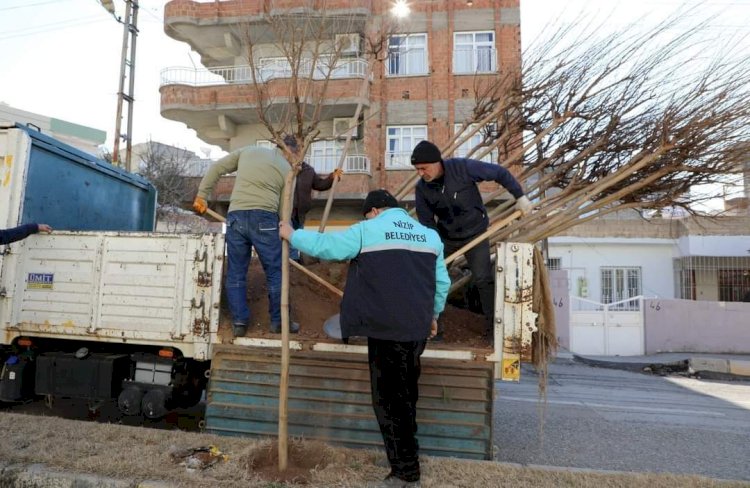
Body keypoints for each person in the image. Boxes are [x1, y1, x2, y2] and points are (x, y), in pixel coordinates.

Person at [279, 189, 450, 487]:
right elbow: (442, 282)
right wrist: (433, 315)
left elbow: (327, 246)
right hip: (416, 329)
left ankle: (405, 474)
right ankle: (406, 462)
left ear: (373, 211)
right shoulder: (429, 236)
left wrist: (292, 235)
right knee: (406, 397)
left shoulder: (367, 229)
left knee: (388, 401)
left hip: (386, 330)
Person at [410, 139, 532, 341]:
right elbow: (426, 222)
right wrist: (435, 247)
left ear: (436, 162)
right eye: (417, 169)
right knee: (434, 279)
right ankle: (435, 329)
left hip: (476, 234)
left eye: (423, 168)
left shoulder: (463, 168)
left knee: (483, 278)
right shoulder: (422, 188)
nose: (421, 173)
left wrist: (520, 196)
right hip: (446, 238)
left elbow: (499, 173)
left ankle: (493, 330)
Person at [193, 145, 299, 338]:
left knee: (236, 272)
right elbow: (285, 208)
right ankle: (278, 322)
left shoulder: (248, 151)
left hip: (236, 217)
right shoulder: (287, 169)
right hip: (265, 218)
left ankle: (239, 323)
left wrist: (202, 195)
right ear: (289, 151)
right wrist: (286, 229)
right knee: (276, 272)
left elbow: (217, 167)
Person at [282, 134, 343, 261]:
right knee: (289, 239)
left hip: (300, 213)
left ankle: (295, 264)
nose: (295, 153)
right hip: (285, 211)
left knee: (296, 238)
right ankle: (292, 264)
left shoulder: (307, 170)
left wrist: (332, 177)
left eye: (297, 150)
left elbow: (320, 184)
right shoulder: (282, 167)